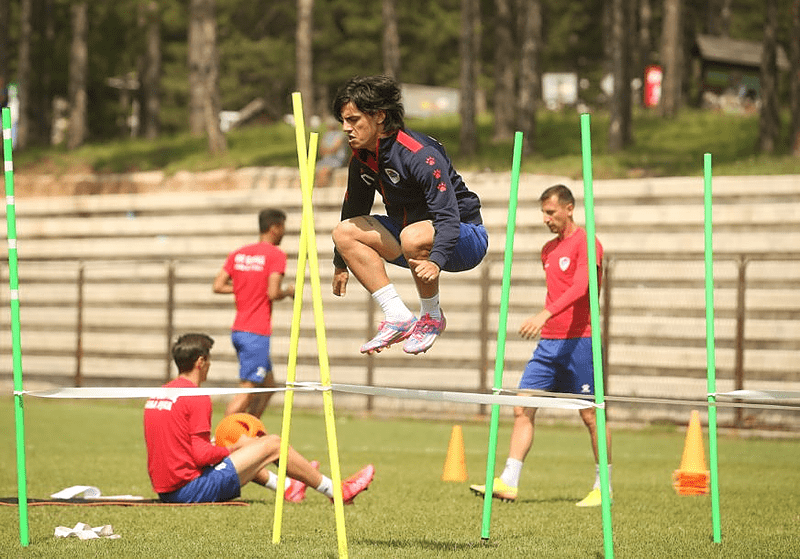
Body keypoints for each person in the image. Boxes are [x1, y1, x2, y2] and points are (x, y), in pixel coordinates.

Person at [469, 184, 612, 507]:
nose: (546, 219)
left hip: (580, 342)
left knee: (591, 416)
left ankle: (604, 487)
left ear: (569, 208)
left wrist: (544, 314)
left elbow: (581, 287)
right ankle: (509, 480)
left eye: (551, 212)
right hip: (549, 344)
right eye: (543, 213)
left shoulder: (588, 244)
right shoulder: (548, 250)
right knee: (523, 406)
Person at [330, 75, 488, 355]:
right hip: (412, 239)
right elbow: (353, 211)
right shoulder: (361, 158)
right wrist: (341, 264)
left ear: (379, 116)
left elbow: (448, 217)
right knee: (343, 232)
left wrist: (437, 260)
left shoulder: (420, 154)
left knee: (412, 235)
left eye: (353, 120)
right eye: (344, 121)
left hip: (464, 238)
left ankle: (431, 317)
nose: (346, 128)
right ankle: (398, 317)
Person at [143, 332, 375, 504]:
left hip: (167, 489)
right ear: (200, 362)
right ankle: (336, 491)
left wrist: (228, 447)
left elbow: (183, 450)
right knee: (271, 444)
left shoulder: (159, 393)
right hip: (189, 491)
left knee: (243, 448)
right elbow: (200, 454)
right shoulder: (197, 396)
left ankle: (288, 485)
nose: (209, 366)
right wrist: (235, 447)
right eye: (209, 361)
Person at [213, 209, 294, 419]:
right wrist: (289, 292)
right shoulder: (276, 255)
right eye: (283, 227)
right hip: (256, 332)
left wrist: (244, 286)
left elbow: (218, 285)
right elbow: (273, 292)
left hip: (239, 330)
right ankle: (220, 441)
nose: (284, 232)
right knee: (248, 390)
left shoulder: (239, 253)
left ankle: (250, 433)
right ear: (275, 228)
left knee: (268, 385)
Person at [315, 117, 349, 187]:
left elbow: (334, 149)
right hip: (326, 160)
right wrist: (328, 150)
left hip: (336, 160)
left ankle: (323, 190)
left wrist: (327, 150)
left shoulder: (341, 135)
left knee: (324, 171)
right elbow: (321, 151)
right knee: (315, 172)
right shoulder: (326, 135)